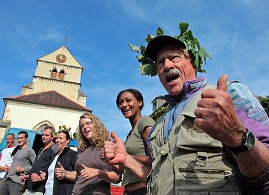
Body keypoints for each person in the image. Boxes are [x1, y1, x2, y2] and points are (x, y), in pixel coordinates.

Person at [103, 25, 269, 194]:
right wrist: (128, 161)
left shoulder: (227, 95)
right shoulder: (158, 125)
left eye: (174, 57)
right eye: (160, 62)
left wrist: (237, 137)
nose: (166, 65)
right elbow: (158, 180)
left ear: (194, 63)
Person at [55, 113, 121, 195]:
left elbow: (117, 177)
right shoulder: (82, 148)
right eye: (82, 126)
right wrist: (66, 173)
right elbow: (80, 175)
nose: (85, 127)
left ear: (97, 125)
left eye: (88, 123)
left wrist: (97, 172)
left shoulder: (108, 145)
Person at [115, 89, 155, 194]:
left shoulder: (145, 121)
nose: (124, 105)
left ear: (140, 102)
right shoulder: (129, 134)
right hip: (128, 191)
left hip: (143, 190)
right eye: (120, 102)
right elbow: (126, 168)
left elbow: (157, 157)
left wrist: (128, 157)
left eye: (128, 100)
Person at [20, 126, 58, 195]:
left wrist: (41, 178)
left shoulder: (54, 149)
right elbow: (37, 166)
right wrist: (28, 176)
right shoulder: (41, 149)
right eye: (43, 135)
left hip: (40, 189)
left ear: (52, 137)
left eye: (46, 135)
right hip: (30, 187)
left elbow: (53, 168)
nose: (43, 137)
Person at [0, 131, 36, 195]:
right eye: (18, 138)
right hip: (7, 178)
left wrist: (23, 169)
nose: (19, 140)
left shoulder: (30, 151)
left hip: (17, 182)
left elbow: (36, 166)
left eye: (21, 138)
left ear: (26, 139)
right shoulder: (16, 149)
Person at [43, 130, 76, 195]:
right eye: (57, 138)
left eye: (60, 138)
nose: (57, 140)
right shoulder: (54, 155)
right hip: (48, 191)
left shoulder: (72, 154)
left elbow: (79, 174)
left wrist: (66, 174)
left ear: (67, 141)